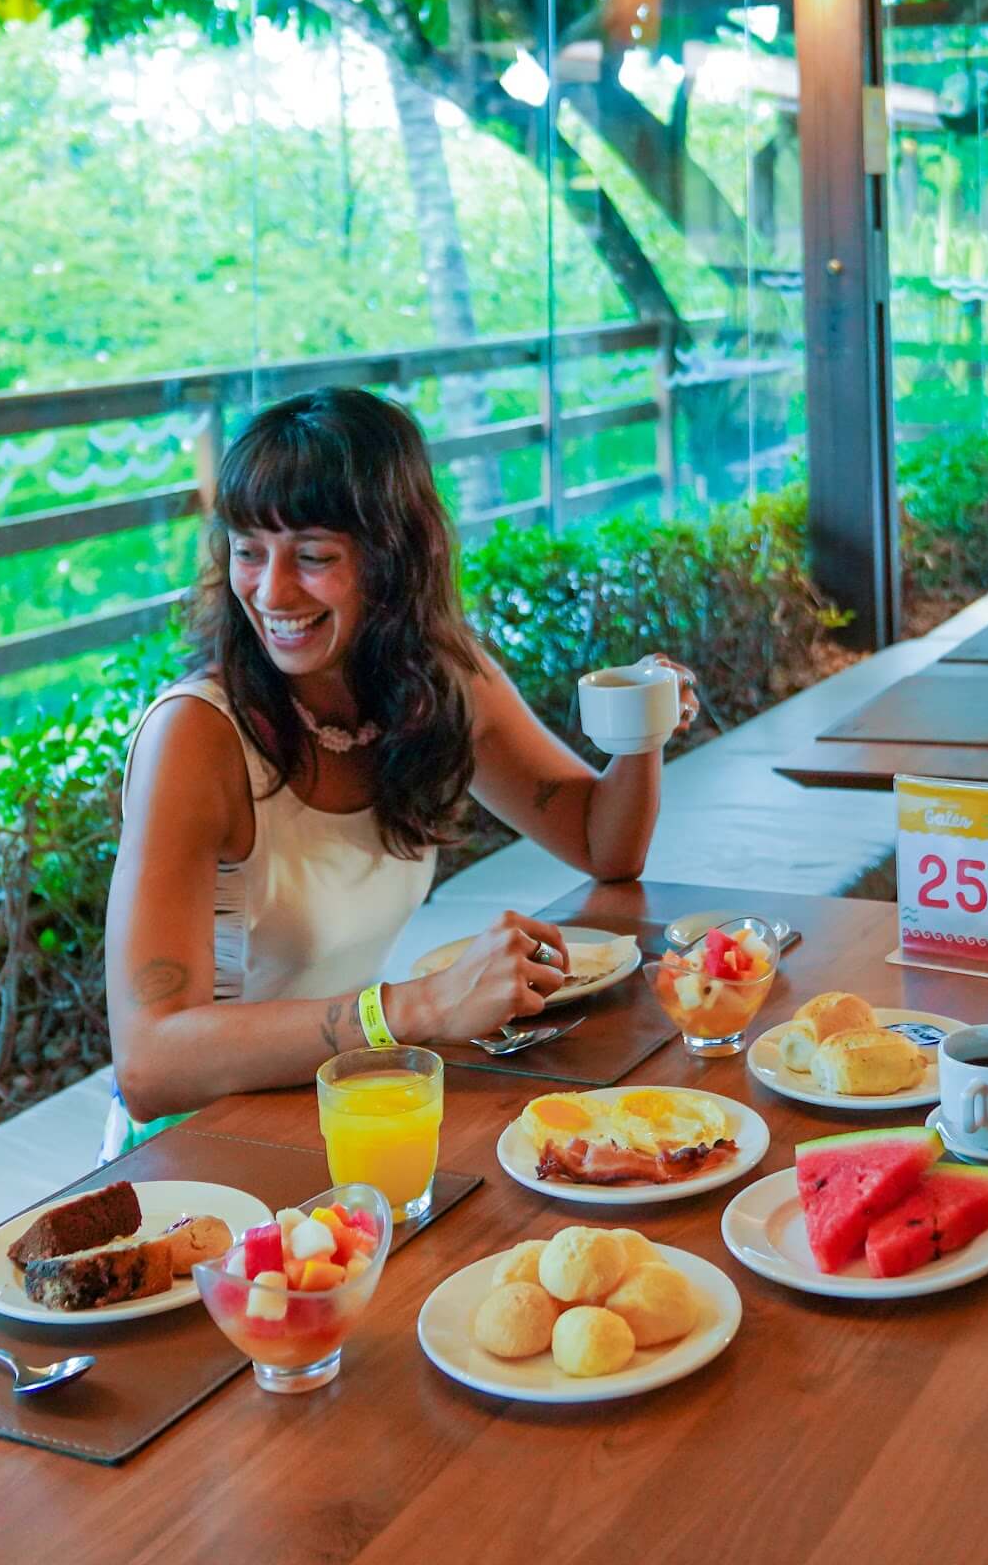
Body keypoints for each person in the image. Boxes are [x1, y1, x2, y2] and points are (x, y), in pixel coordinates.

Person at [103, 386, 699, 1148]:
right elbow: (151, 1065)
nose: (271, 590)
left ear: (391, 558)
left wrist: (640, 730)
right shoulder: (195, 735)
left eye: (313, 557)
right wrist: (414, 1009)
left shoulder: (435, 679)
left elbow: (603, 844)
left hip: (358, 1105)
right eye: (249, 551)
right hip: (206, 1148)